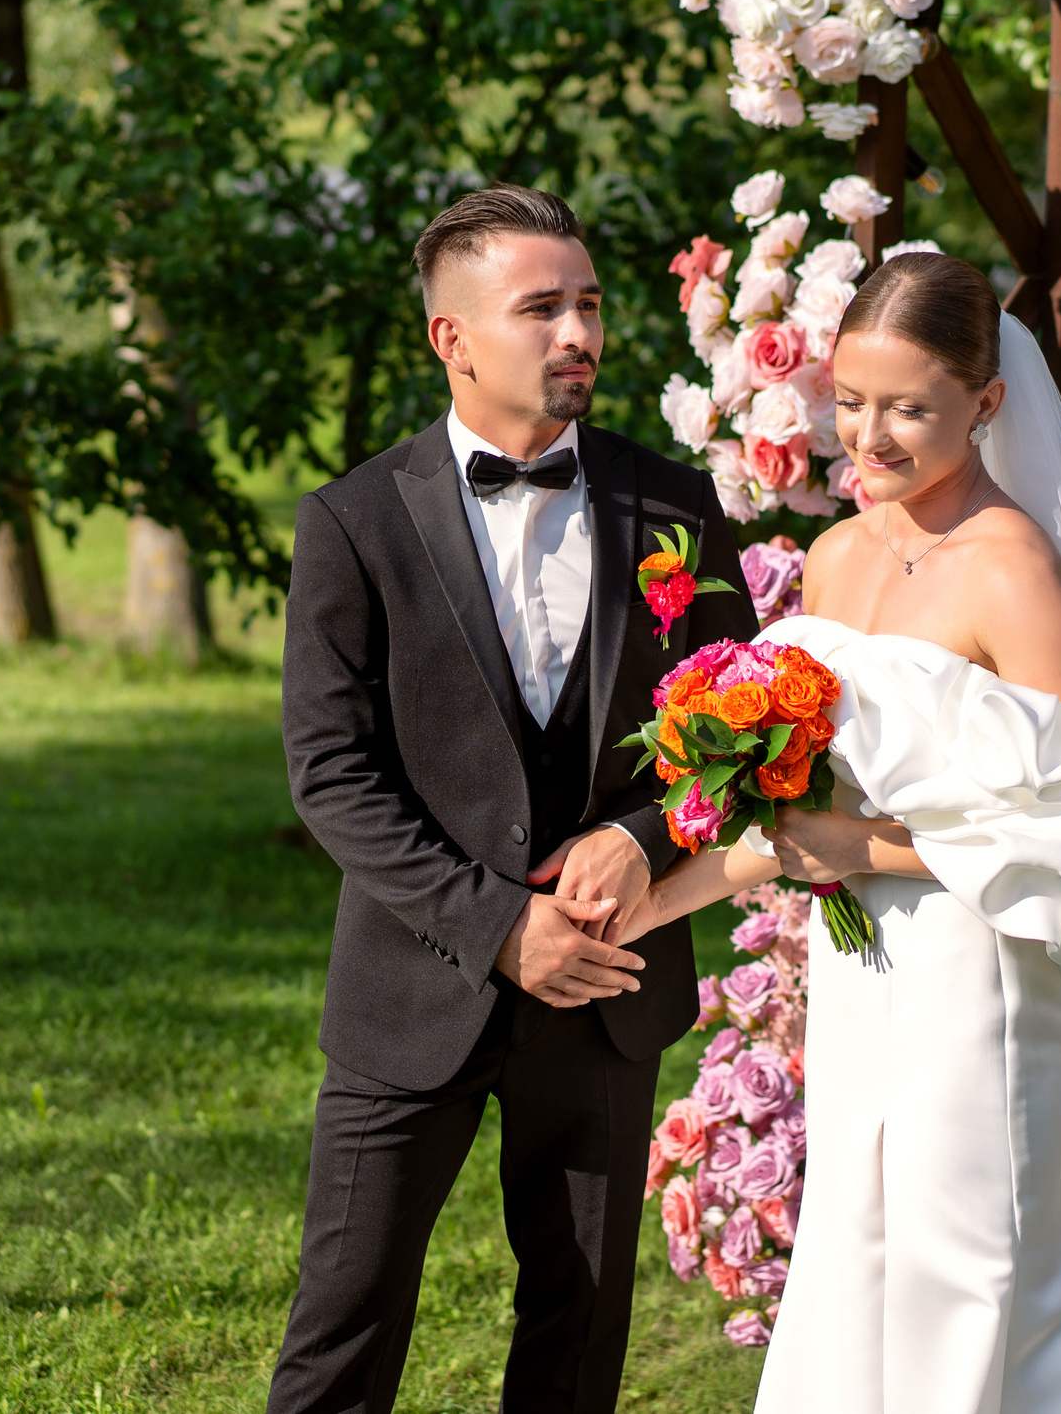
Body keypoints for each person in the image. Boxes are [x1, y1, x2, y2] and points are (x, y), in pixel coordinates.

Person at [618, 252, 1061, 1414]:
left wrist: (866, 854)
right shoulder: (837, 560)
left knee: (979, 1263)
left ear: (986, 405)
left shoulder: (1019, 575)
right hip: (858, 965)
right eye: (848, 402)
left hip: (983, 968)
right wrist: (652, 899)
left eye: (907, 408)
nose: (867, 437)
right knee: (861, 1243)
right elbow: (794, 805)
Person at [270, 184, 757, 1414]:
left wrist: (642, 836)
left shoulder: (673, 505)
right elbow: (332, 774)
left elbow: (736, 732)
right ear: (453, 337)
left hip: (611, 983)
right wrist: (498, 927)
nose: (578, 333)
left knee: (581, 1317)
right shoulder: (354, 522)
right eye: (540, 307)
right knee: (349, 1311)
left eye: (587, 305)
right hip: (412, 991)